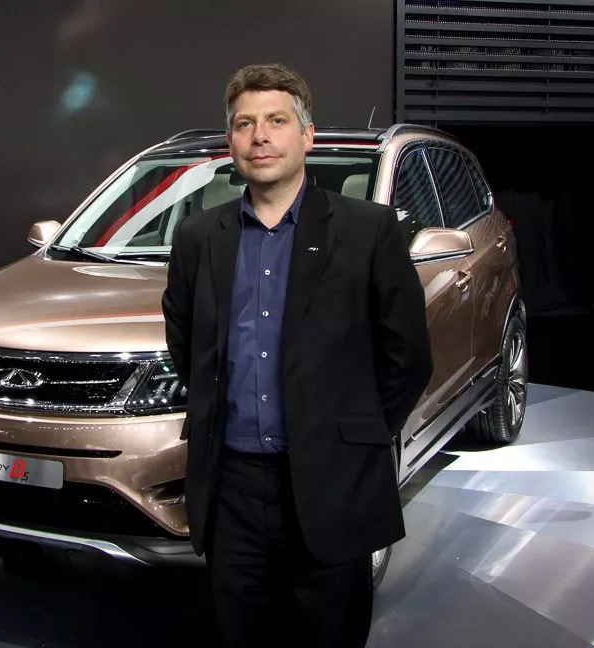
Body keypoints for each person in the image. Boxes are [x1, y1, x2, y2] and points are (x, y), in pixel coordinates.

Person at [161, 63, 433, 647]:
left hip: (332, 484)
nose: (259, 136)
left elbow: (407, 357)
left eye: (276, 121)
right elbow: (187, 347)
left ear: (307, 136)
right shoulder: (197, 238)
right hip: (231, 490)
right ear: (230, 140)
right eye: (244, 124)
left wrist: (352, 435)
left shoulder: (368, 231)